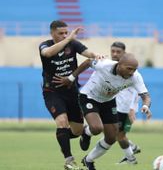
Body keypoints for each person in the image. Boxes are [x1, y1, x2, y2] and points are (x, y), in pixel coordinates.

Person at [53, 53, 152, 170]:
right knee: (97, 128)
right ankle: (86, 132)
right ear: (119, 65)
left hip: (108, 102)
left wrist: (146, 106)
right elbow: (88, 62)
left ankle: (88, 160)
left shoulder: (135, 77)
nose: (131, 72)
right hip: (89, 96)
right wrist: (71, 78)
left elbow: (145, 95)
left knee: (111, 138)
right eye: (129, 69)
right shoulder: (104, 65)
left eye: (134, 70)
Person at [39, 20, 100, 170]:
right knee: (62, 122)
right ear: (52, 33)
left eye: (66, 33)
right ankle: (69, 160)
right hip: (52, 92)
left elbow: (88, 53)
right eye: (61, 33)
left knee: (76, 131)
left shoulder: (73, 44)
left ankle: (84, 133)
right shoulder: (45, 45)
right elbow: (47, 53)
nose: (64, 35)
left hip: (72, 92)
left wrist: (96, 55)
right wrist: (68, 38)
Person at [109, 42, 142, 164]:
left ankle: (131, 158)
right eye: (113, 51)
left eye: (118, 52)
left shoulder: (132, 71)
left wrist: (132, 109)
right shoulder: (110, 67)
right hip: (114, 107)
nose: (115, 54)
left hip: (125, 109)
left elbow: (137, 91)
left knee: (119, 135)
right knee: (111, 131)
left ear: (124, 53)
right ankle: (131, 151)